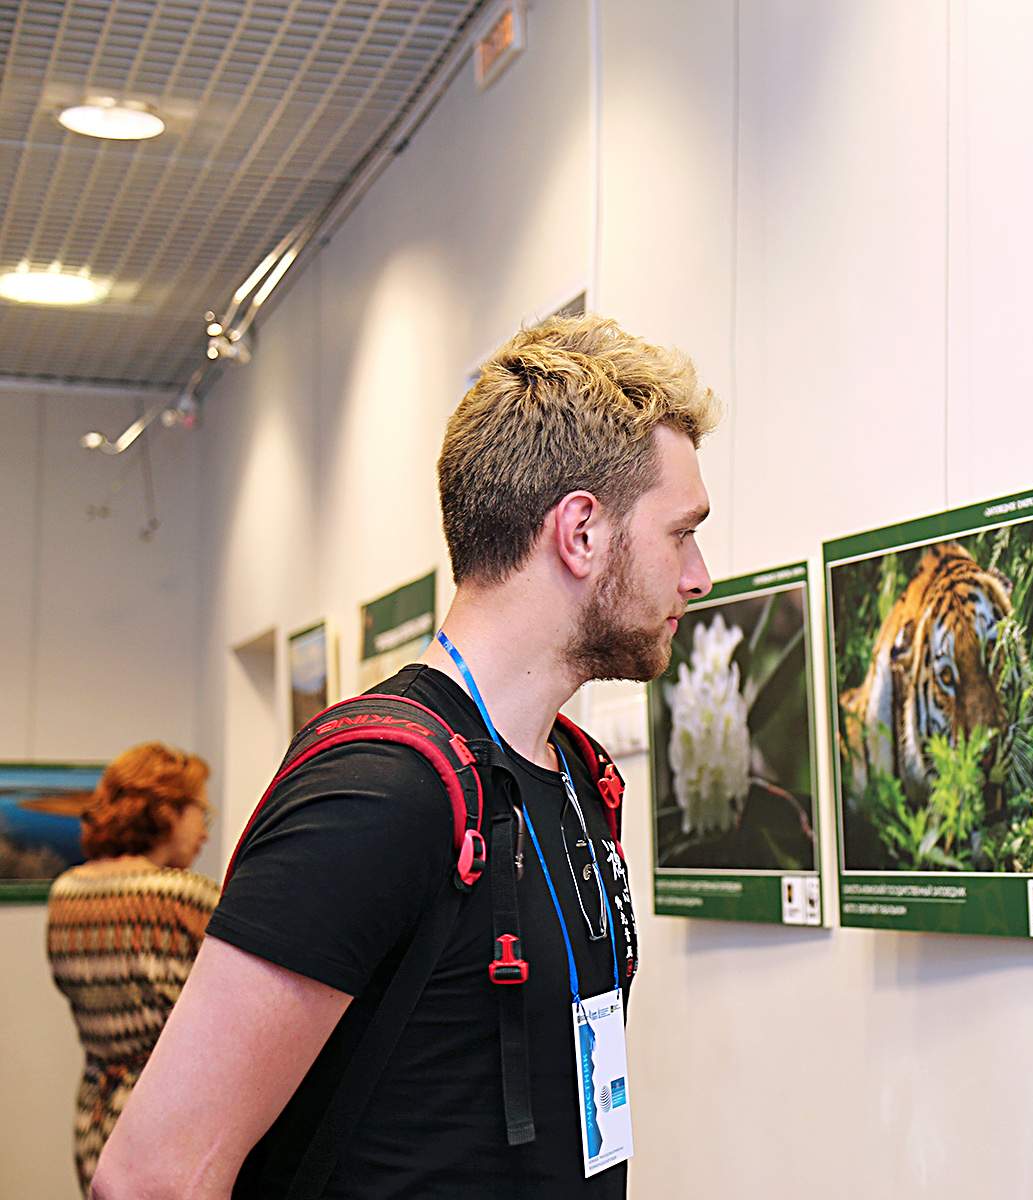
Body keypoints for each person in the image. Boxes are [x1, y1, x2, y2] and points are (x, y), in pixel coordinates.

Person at [92, 315, 717, 1199]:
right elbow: (151, 1177)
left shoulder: (573, 774)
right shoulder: (378, 792)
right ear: (580, 532)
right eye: (681, 533)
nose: (698, 575)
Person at [45, 742, 217, 1195]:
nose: (205, 831)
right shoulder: (184, 896)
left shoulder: (66, 891)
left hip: (97, 1118)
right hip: (170, 1121)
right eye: (201, 811)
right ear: (166, 810)